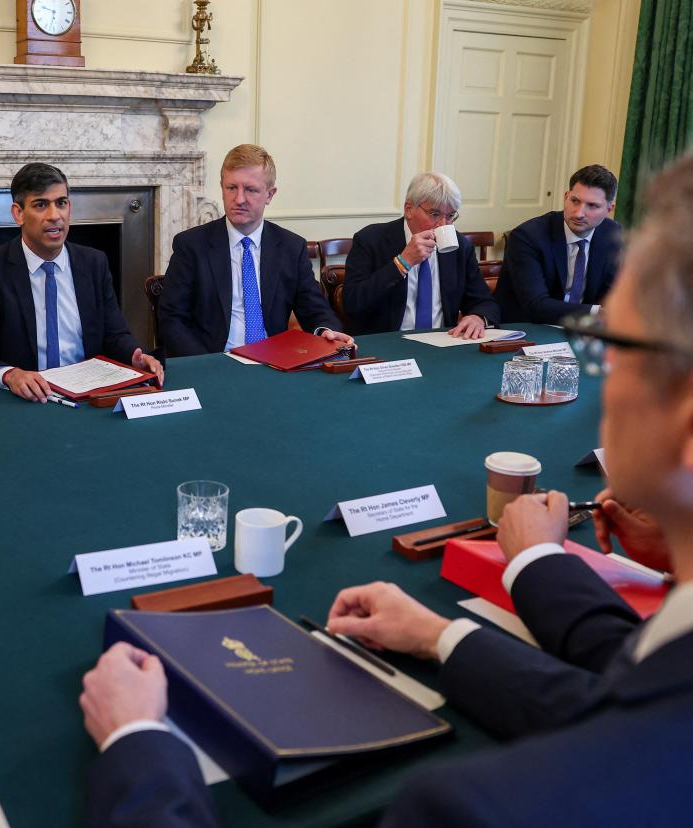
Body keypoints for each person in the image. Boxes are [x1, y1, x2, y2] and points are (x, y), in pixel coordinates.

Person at [78, 155, 693, 826]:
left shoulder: (460, 808)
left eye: (609, 348)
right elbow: (611, 684)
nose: (591, 374)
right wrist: (446, 629)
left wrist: (136, 739)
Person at [0, 163, 164, 401]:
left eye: (61, 203)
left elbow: (114, 335)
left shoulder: (94, 263)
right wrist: (10, 375)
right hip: (25, 400)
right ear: (18, 213)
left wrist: (135, 354)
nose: (55, 216)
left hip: (87, 396)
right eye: (41, 204)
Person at [157, 145, 353, 356]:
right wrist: (207, 364)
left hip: (274, 363)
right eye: (231, 188)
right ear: (222, 187)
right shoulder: (192, 246)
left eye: (250, 190)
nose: (239, 199)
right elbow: (171, 319)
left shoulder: (290, 247)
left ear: (270, 194)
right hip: (213, 362)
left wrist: (326, 332)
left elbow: (315, 309)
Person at [343, 172, 499, 337]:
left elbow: (484, 302)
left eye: (450, 216)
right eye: (434, 214)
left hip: (443, 342)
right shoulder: (371, 240)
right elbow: (353, 303)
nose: (443, 224)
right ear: (409, 209)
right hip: (387, 343)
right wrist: (402, 263)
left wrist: (478, 317)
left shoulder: (460, 247)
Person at [494, 164, 623, 323]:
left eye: (592, 206)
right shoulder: (528, 236)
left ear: (609, 209)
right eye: (575, 201)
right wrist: (597, 312)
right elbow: (536, 305)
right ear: (566, 196)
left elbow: (611, 293)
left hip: (581, 329)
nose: (579, 213)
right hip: (526, 329)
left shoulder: (612, 235)